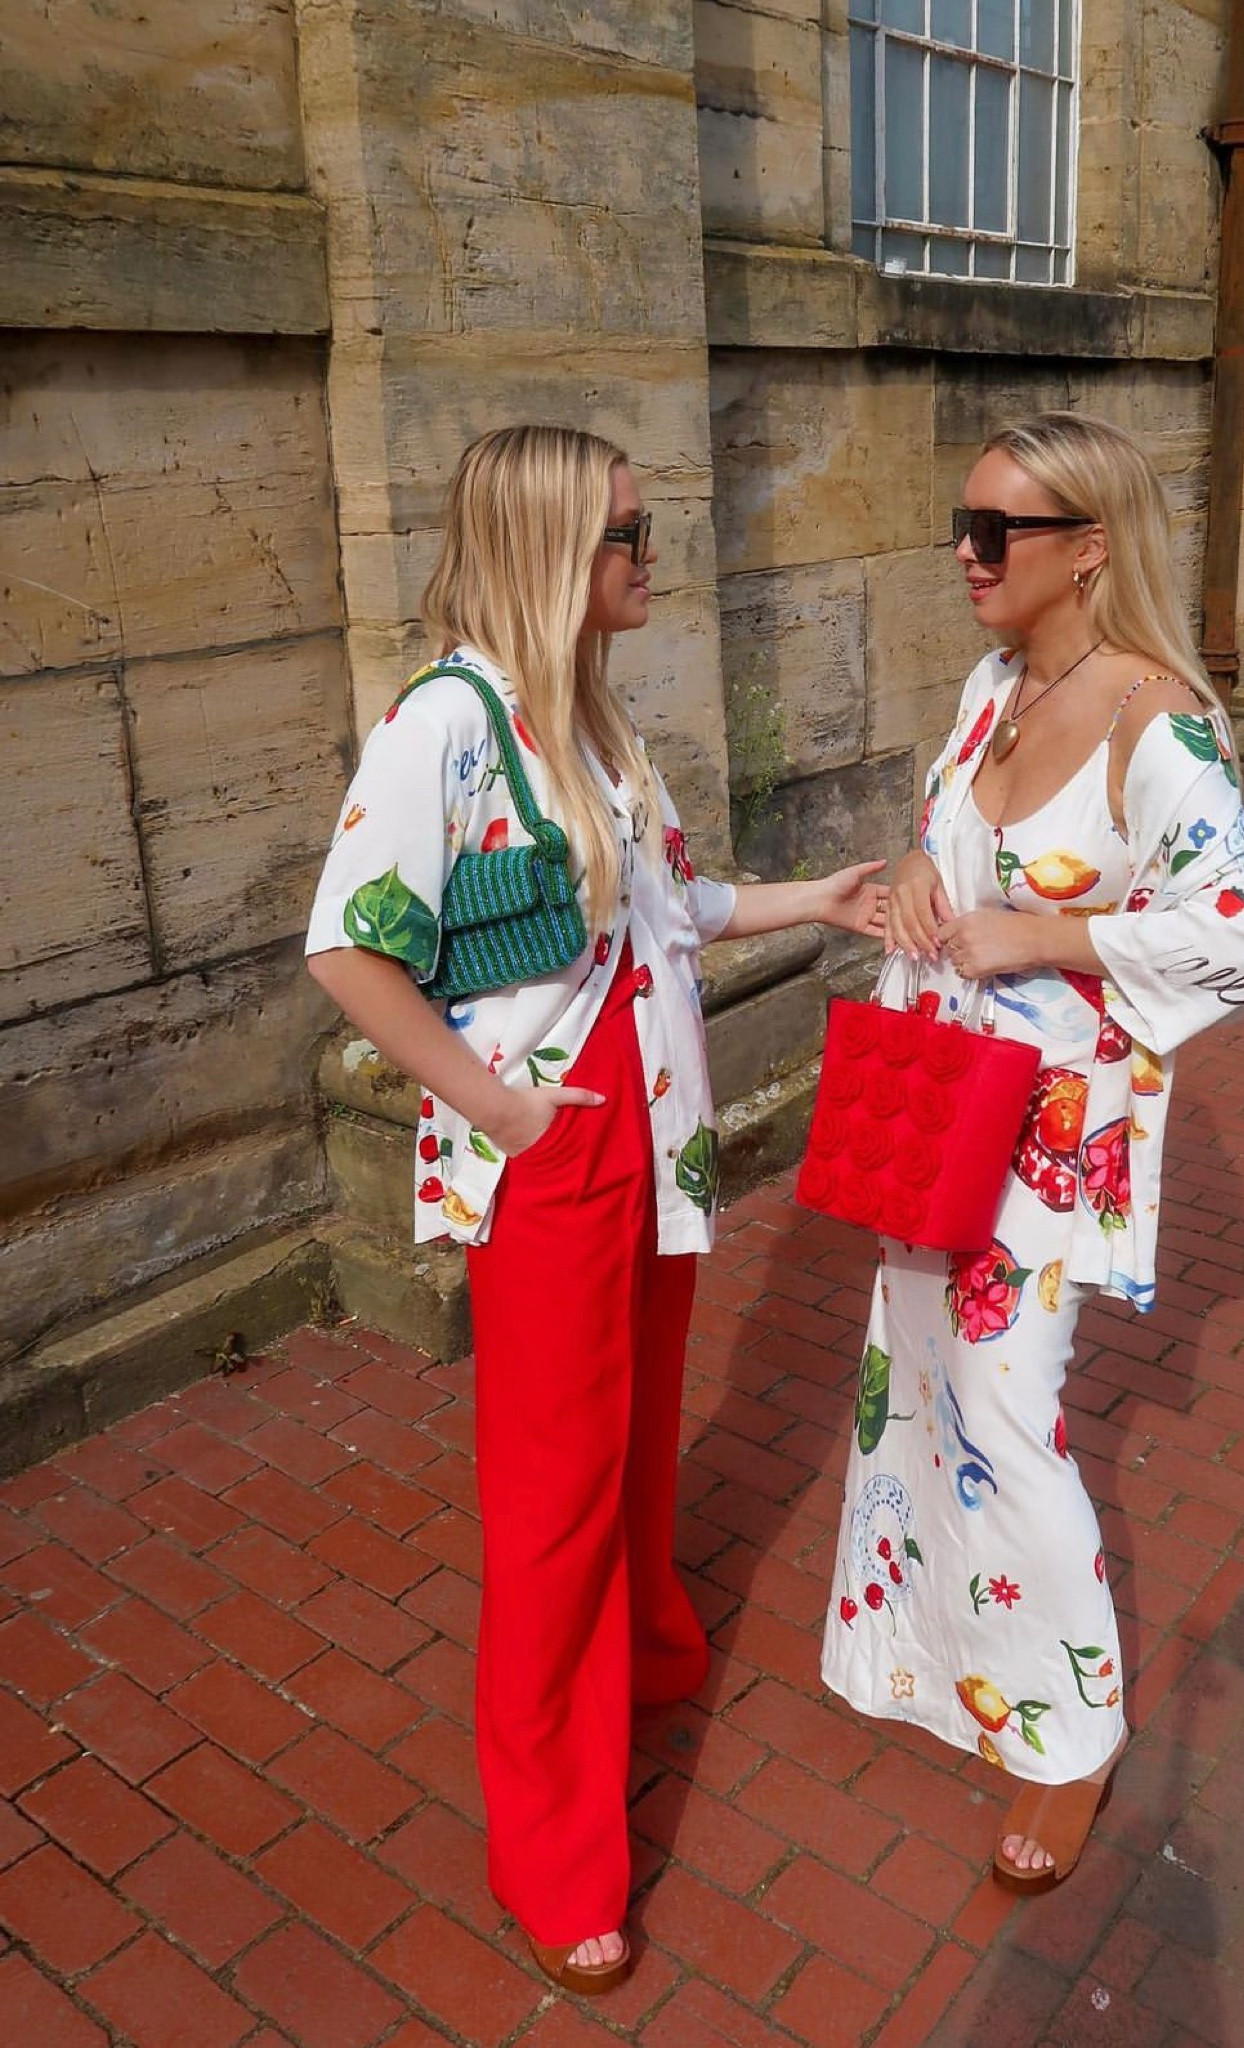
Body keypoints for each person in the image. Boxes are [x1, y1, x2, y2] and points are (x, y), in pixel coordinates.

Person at [306, 424, 886, 1991]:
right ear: (553, 543)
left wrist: (811, 900)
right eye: (627, 532)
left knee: (631, 1439)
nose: (649, 555)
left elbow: (669, 912)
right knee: (551, 1504)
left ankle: (646, 1656)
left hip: (655, 1140)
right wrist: (492, 1103)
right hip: (552, 1150)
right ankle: (554, 1842)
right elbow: (347, 946)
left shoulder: (597, 726)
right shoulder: (444, 726)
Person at [820, 411, 1244, 1892]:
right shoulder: (994, 682)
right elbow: (932, 839)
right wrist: (910, 877)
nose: (963, 554)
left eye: (993, 532)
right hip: (939, 1116)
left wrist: (1050, 931)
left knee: (1008, 1420)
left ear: (1087, 547)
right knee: (918, 1398)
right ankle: (935, 1658)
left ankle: (1070, 1739)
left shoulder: (1156, 721)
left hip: (1049, 1146)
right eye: (961, 525)